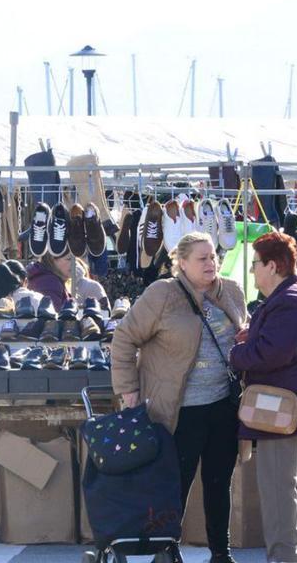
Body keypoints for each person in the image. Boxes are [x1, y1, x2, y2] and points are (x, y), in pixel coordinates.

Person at [111, 231, 248, 563]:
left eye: (213, 256)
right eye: (201, 258)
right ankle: (166, 550)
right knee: (176, 485)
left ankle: (221, 553)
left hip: (223, 406)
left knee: (219, 483)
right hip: (178, 410)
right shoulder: (162, 294)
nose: (210, 263)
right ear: (181, 263)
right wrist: (127, 390)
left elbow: (243, 334)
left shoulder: (230, 291)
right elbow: (123, 339)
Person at [229, 232, 297, 563]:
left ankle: (284, 559)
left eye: (255, 264)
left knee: (278, 494)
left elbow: (269, 355)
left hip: (282, 413)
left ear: (272, 266)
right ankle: (294, 557)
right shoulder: (295, 297)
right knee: (289, 489)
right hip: (291, 411)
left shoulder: (291, 301)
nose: (252, 272)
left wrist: (236, 354)